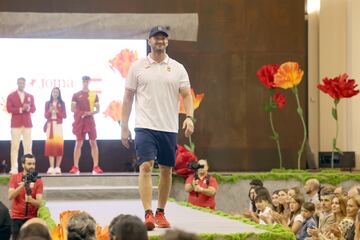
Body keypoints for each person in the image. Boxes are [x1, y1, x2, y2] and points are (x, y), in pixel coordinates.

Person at [121, 25, 194, 230]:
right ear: (149, 41)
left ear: (167, 42)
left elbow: (187, 95)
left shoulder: (177, 67)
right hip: (144, 125)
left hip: (168, 127)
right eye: (156, 38)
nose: (160, 41)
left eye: (163, 38)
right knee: (145, 166)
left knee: (166, 170)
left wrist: (189, 117)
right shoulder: (137, 66)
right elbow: (127, 98)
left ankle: (160, 212)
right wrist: (124, 125)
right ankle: (147, 213)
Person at [70, 76, 103, 174]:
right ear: (82, 82)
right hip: (80, 121)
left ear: (89, 82)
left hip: (90, 121)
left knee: (93, 142)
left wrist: (89, 113)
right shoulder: (76, 95)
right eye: (84, 81)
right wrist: (82, 113)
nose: (85, 82)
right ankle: (75, 167)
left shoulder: (94, 95)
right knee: (79, 143)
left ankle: (96, 167)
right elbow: (72, 109)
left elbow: (97, 110)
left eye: (87, 81)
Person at [8, 154, 43, 240]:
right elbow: (10, 196)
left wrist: (31, 200)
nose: (32, 166)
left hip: (31, 219)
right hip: (16, 218)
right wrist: (22, 185)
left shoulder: (38, 180)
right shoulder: (15, 178)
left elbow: (39, 203)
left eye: (33, 164)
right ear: (23, 165)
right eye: (29, 164)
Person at [6, 77, 36, 175]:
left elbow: (34, 109)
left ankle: (29, 168)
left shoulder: (30, 96)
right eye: (20, 83)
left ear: (25, 84)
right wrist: (20, 109)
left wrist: (28, 109)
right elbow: (9, 108)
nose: (21, 84)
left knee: (28, 147)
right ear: (17, 83)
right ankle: (14, 168)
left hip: (27, 124)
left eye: (23, 83)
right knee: (15, 147)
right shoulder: (11, 96)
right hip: (16, 124)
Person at [44, 87, 66, 175]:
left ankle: (58, 167)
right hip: (50, 125)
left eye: (57, 92)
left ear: (59, 94)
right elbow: (45, 115)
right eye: (54, 92)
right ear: (51, 93)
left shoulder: (62, 103)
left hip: (58, 125)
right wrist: (50, 110)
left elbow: (64, 115)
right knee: (50, 146)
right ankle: (51, 167)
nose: (55, 93)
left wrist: (57, 111)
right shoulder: (47, 103)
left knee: (59, 146)